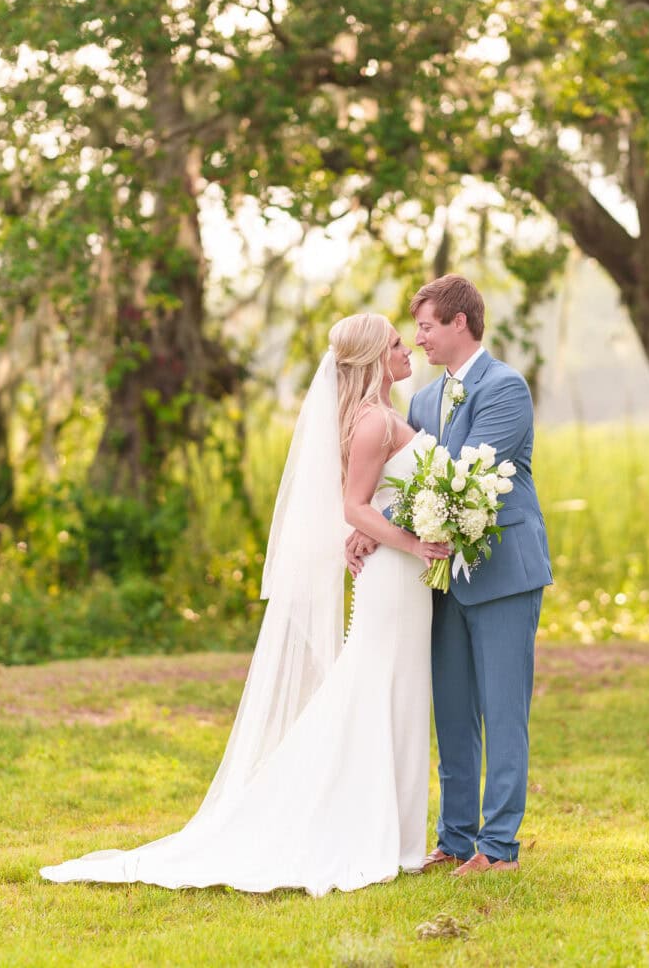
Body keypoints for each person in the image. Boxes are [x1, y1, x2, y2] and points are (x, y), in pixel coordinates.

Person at [39, 313, 450, 896]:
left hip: (406, 579)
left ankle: (404, 838)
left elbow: (386, 499)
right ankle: (375, 833)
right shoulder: (372, 424)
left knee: (402, 694)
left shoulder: (388, 417)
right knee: (375, 691)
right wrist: (415, 543)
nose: (406, 348)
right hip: (391, 579)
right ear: (372, 360)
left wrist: (412, 524)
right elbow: (353, 507)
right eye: (394, 343)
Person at [348, 274, 552, 877]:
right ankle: (456, 838)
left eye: (428, 326)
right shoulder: (423, 400)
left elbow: (464, 478)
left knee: (502, 709)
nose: (419, 339)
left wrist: (376, 517)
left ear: (460, 323)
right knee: (454, 711)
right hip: (439, 579)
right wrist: (373, 520)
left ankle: (500, 848)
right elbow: (417, 481)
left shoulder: (505, 388)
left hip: (503, 573)